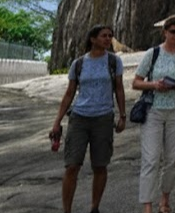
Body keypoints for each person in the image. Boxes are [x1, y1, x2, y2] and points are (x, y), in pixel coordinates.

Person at [51, 25, 126, 213]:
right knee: (72, 166)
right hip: (80, 118)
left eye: (110, 36)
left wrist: (122, 115)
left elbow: (119, 88)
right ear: (92, 39)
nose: (108, 39)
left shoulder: (114, 62)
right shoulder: (79, 64)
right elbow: (69, 93)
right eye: (103, 36)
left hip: (103, 118)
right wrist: (57, 121)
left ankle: (94, 207)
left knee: (100, 165)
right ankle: (66, 209)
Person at [133, 16, 175, 213]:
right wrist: (154, 84)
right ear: (165, 32)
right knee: (151, 159)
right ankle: (147, 205)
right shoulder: (153, 54)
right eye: (173, 32)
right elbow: (136, 82)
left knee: (172, 159)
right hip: (154, 109)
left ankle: (165, 199)